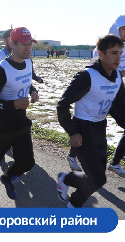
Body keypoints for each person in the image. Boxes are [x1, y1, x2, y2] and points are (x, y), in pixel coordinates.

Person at [56, 34, 125, 208]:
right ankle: (72, 202)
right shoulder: (87, 76)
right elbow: (62, 104)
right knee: (98, 178)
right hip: (83, 129)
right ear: (100, 54)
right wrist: (72, 132)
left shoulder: (117, 77)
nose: (118, 57)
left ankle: (68, 184)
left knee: (97, 177)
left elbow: (117, 107)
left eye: (121, 52)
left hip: (100, 129)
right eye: (114, 53)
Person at [0, 27, 39, 200]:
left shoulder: (29, 62)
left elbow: (26, 82)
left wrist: (33, 91)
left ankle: (7, 178)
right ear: (13, 44)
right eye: (24, 44)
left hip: (20, 123)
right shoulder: (0, 70)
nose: (28, 48)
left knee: (27, 161)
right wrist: (13, 104)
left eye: (30, 44)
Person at [67, 15, 125, 176]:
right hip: (101, 93)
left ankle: (114, 163)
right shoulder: (103, 47)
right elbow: (102, 71)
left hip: (118, 93)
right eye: (124, 29)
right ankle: (74, 154)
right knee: (88, 128)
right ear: (116, 28)